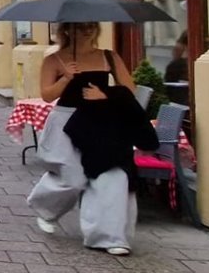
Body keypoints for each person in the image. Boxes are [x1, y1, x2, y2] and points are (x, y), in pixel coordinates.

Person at [27, 22, 151, 256]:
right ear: (67, 31)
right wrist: (65, 78)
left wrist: (105, 95)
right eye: (79, 27)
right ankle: (45, 208)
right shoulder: (54, 59)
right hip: (66, 121)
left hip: (100, 120)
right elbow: (47, 95)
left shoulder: (109, 57)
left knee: (107, 176)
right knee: (72, 177)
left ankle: (109, 236)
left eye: (91, 27)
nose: (86, 31)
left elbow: (129, 89)